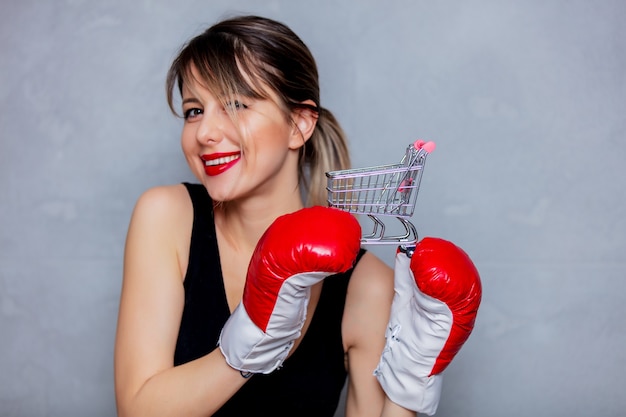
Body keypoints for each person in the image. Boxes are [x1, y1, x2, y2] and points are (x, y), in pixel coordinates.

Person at [114, 14, 481, 417]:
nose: (204, 133)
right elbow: (138, 409)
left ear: (299, 125)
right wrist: (249, 342)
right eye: (194, 110)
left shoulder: (366, 286)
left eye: (237, 103)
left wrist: (410, 388)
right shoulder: (167, 217)